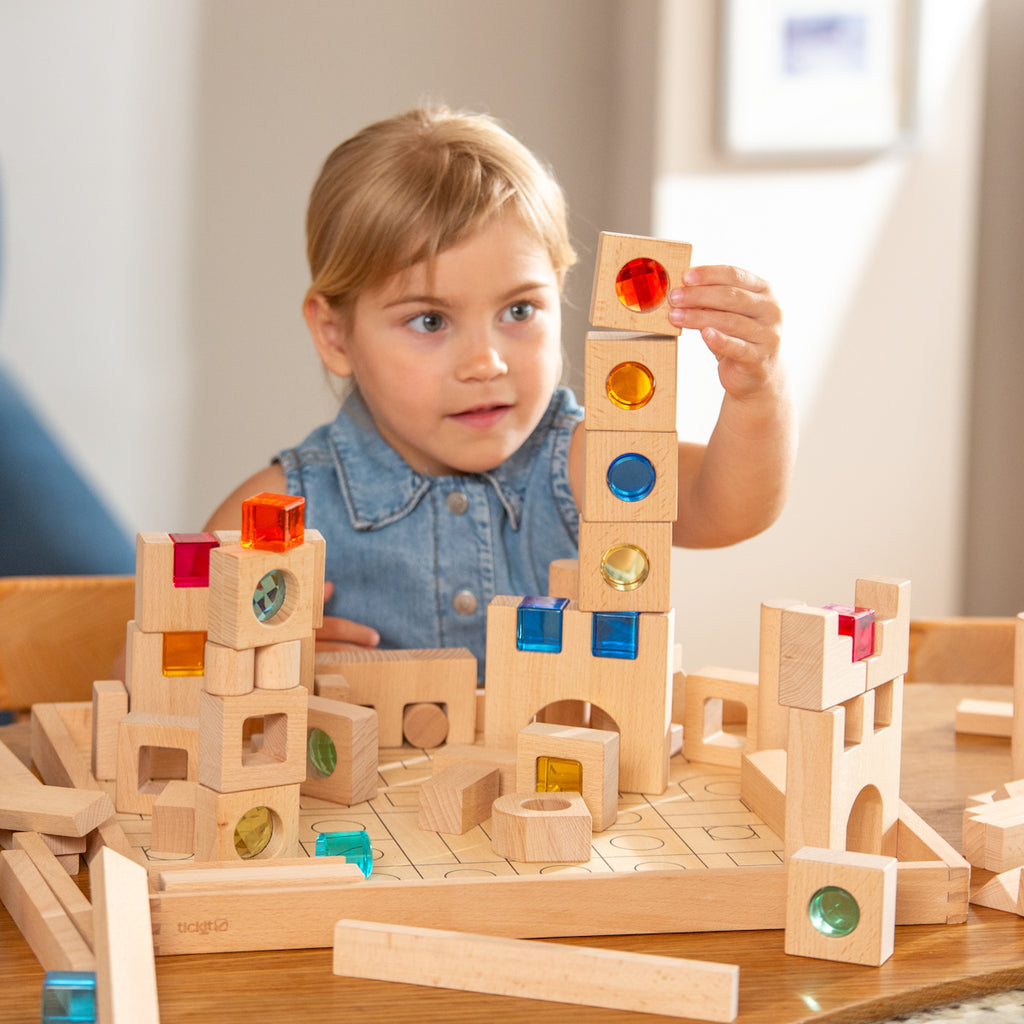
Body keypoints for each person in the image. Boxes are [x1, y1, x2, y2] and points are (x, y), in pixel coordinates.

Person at [205, 107, 796, 676]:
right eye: (430, 321)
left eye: (519, 309)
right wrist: (258, 659)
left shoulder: (586, 462)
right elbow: (146, 677)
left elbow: (726, 510)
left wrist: (757, 393)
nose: (486, 363)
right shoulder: (276, 514)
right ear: (335, 335)